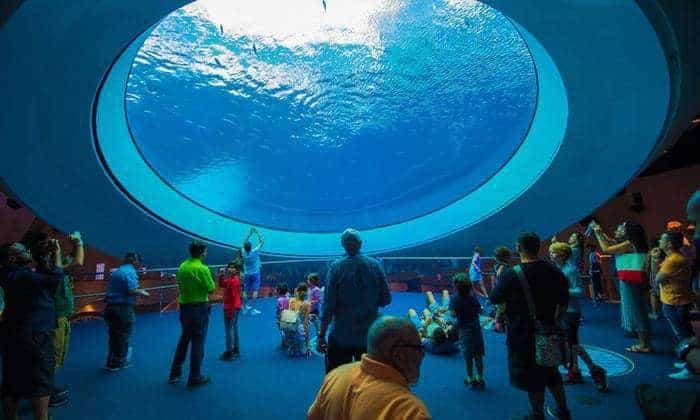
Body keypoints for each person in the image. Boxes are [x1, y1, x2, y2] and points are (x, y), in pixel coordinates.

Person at [490, 232, 571, 420]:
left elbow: (494, 297)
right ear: (538, 247)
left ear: (518, 248)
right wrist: (556, 320)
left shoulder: (512, 274)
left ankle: (537, 414)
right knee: (551, 371)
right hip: (548, 329)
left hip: (522, 335)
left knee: (532, 376)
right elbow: (564, 299)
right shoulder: (552, 270)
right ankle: (563, 410)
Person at [307, 316, 431, 420]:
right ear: (398, 355)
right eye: (418, 348)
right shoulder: (411, 412)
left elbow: (312, 416)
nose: (422, 354)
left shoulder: (334, 376)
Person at [0, 241, 65, 420]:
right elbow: (55, 277)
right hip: (35, 334)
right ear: (12, 258)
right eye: (23, 250)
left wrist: (42, 256)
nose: (28, 251)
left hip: (14, 331)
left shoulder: (10, 274)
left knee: (12, 379)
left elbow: (44, 279)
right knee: (41, 379)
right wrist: (57, 253)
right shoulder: (21, 276)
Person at [317, 228, 392, 373]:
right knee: (367, 379)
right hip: (369, 336)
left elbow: (328, 306)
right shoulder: (375, 265)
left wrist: (321, 335)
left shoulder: (336, 267)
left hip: (341, 335)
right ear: (360, 243)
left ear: (343, 244)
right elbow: (386, 299)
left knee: (337, 378)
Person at [25, 230, 84, 407]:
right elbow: (78, 263)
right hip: (53, 318)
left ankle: (46, 388)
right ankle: (45, 393)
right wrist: (78, 242)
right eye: (45, 242)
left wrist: (75, 245)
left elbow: (73, 258)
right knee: (51, 357)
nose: (51, 243)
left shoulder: (52, 262)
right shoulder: (47, 267)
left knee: (55, 356)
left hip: (59, 316)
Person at [549, 242, 608, 392]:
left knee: (572, 344)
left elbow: (580, 291)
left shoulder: (570, 270)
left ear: (562, 255)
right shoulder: (558, 269)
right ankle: (577, 370)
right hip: (561, 311)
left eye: (553, 252)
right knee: (570, 344)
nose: (551, 255)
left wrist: (561, 291)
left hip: (571, 312)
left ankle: (592, 369)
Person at [590, 220, 652, 353]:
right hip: (631, 280)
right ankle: (641, 338)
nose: (616, 230)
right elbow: (609, 241)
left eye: (620, 228)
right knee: (636, 308)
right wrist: (599, 231)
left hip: (631, 281)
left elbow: (606, 249)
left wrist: (597, 232)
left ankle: (644, 344)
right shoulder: (630, 243)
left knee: (636, 310)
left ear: (629, 232)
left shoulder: (629, 244)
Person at [168, 241, 216, 387]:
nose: (206, 253)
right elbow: (211, 288)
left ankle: (175, 373)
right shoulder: (202, 269)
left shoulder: (182, 266)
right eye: (206, 251)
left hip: (185, 307)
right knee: (198, 342)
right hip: (199, 308)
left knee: (184, 339)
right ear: (202, 253)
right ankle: (195, 376)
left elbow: (180, 285)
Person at [655, 231, 695, 379]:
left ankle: (692, 369)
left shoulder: (672, 260)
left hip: (675, 303)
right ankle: (689, 362)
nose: (659, 241)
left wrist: (655, 262)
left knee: (685, 337)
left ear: (669, 244)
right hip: (677, 301)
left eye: (662, 239)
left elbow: (657, 279)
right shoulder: (674, 258)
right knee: (685, 335)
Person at [450, 273, 485, 389]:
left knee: (468, 356)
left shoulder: (454, 299)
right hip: (476, 329)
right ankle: (480, 377)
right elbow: (480, 311)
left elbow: (453, 314)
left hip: (464, 330)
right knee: (478, 355)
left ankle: (470, 378)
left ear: (456, 286)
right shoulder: (473, 297)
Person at [407, 290, 458, 355]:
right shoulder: (450, 344)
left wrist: (426, 324)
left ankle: (426, 316)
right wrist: (440, 318)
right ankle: (430, 314)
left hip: (426, 324)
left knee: (413, 311)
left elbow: (420, 336)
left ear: (432, 339)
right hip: (441, 316)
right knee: (427, 308)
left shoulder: (430, 345)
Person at [280, 282, 312, 357]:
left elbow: (290, 314)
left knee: (291, 334)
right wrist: (308, 346)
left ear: (297, 290)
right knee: (305, 330)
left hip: (289, 325)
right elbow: (305, 322)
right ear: (306, 292)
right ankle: (304, 347)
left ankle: (290, 345)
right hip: (299, 326)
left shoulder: (291, 300)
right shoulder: (307, 304)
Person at [218, 262, 242, 361]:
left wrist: (232, 310)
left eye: (233, 268)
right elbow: (222, 284)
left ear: (236, 270)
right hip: (234, 307)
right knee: (234, 328)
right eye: (229, 267)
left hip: (231, 308)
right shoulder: (231, 279)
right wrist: (221, 275)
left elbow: (233, 297)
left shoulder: (234, 281)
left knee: (229, 330)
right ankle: (236, 349)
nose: (230, 269)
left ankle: (229, 352)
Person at [241, 227, 264, 315]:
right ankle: (253, 309)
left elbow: (244, 242)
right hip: (255, 273)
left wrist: (249, 234)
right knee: (255, 291)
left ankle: (244, 307)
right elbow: (262, 242)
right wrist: (257, 233)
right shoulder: (254, 251)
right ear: (251, 247)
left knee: (245, 291)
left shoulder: (243, 252)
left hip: (247, 273)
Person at [493, 246, 512, 333]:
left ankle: (499, 325)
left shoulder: (501, 267)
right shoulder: (503, 267)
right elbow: (500, 280)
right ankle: (498, 325)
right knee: (500, 310)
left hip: (502, 292)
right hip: (503, 293)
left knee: (501, 310)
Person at [275, 282, 290, 349]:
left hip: (281, 317)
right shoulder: (288, 298)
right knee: (287, 330)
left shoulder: (279, 300)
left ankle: (284, 343)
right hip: (288, 316)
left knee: (282, 330)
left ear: (278, 291)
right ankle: (288, 341)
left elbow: (280, 310)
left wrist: (279, 318)